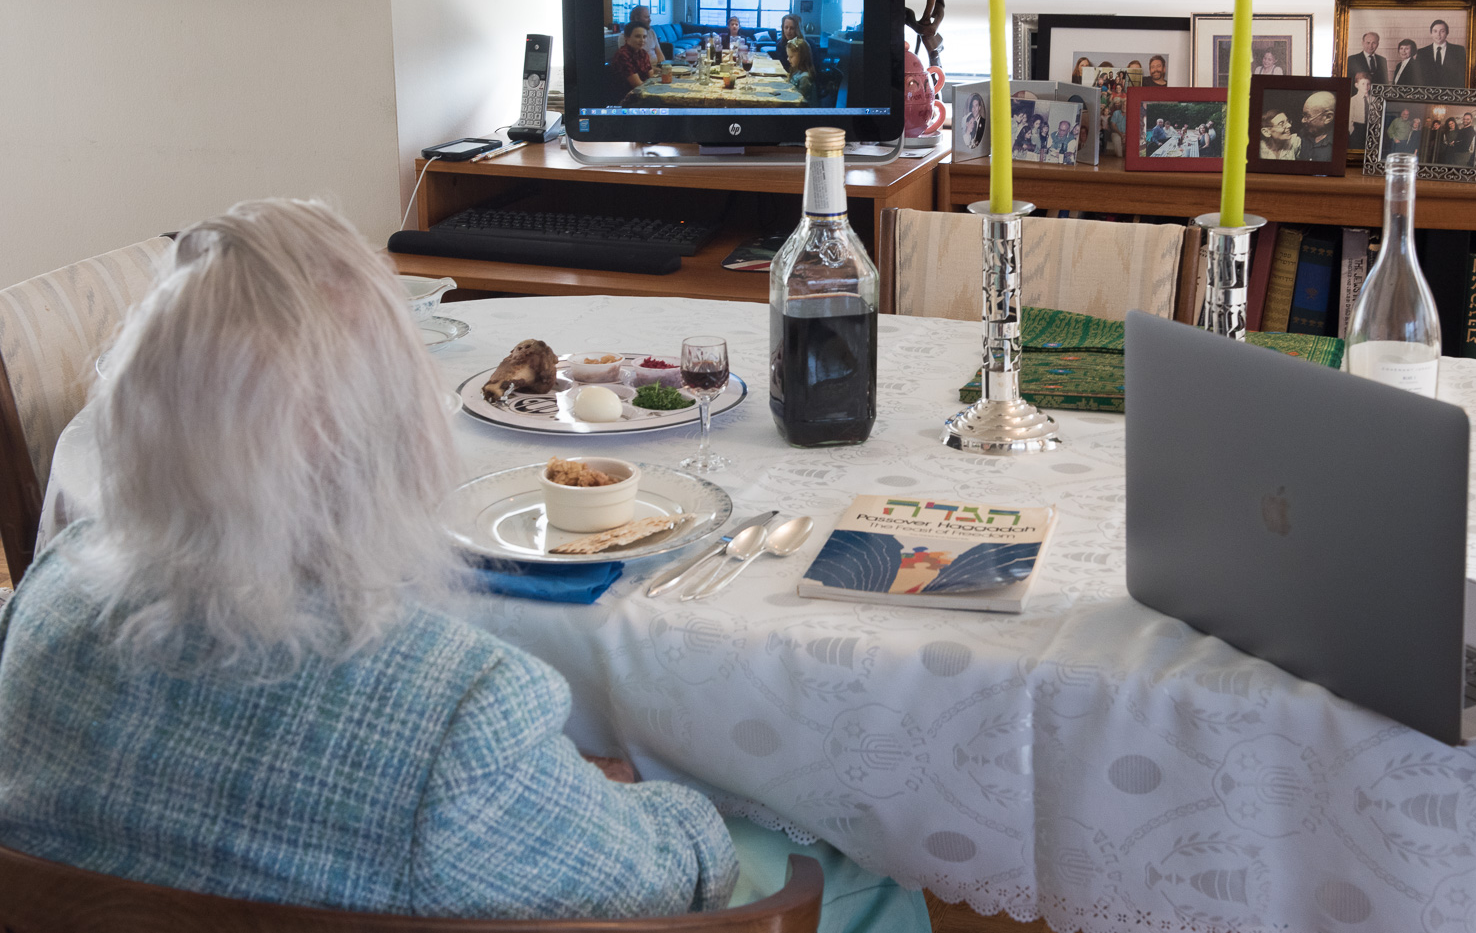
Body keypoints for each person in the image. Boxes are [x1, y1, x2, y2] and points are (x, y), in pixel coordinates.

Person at [0, 199, 929, 931]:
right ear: (395, 439)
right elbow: (676, 871)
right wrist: (646, 796)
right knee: (868, 875)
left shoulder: (43, 595)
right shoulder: (460, 717)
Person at [1414, 19, 1468, 86]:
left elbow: (1462, 75)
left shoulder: (1458, 50)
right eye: (1435, 31)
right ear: (1431, 33)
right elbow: (1418, 77)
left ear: (1447, 33)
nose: (1438, 35)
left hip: (1451, 93)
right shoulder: (1422, 53)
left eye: (1442, 31)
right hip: (1428, 93)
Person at [610, 24, 655, 98]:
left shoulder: (643, 53)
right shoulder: (622, 55)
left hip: (643, 91)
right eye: (637, 36)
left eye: (644, 37)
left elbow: (651, 76)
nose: (642, 40)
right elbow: (637, 85)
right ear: (626, 38)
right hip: (628, 96)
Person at [1294, 91, 1338, 162]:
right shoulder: (1300, 137)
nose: (1303, 120)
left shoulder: (1337, 145)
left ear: (1328, 117)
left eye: (1307, 116)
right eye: (1303, 116)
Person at [785, 37, 818, 104]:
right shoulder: (796, 70)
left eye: (791, 57)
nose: (788, 59)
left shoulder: (805, 78)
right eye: (788, 56)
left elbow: (799, 100)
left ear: (802, 57)